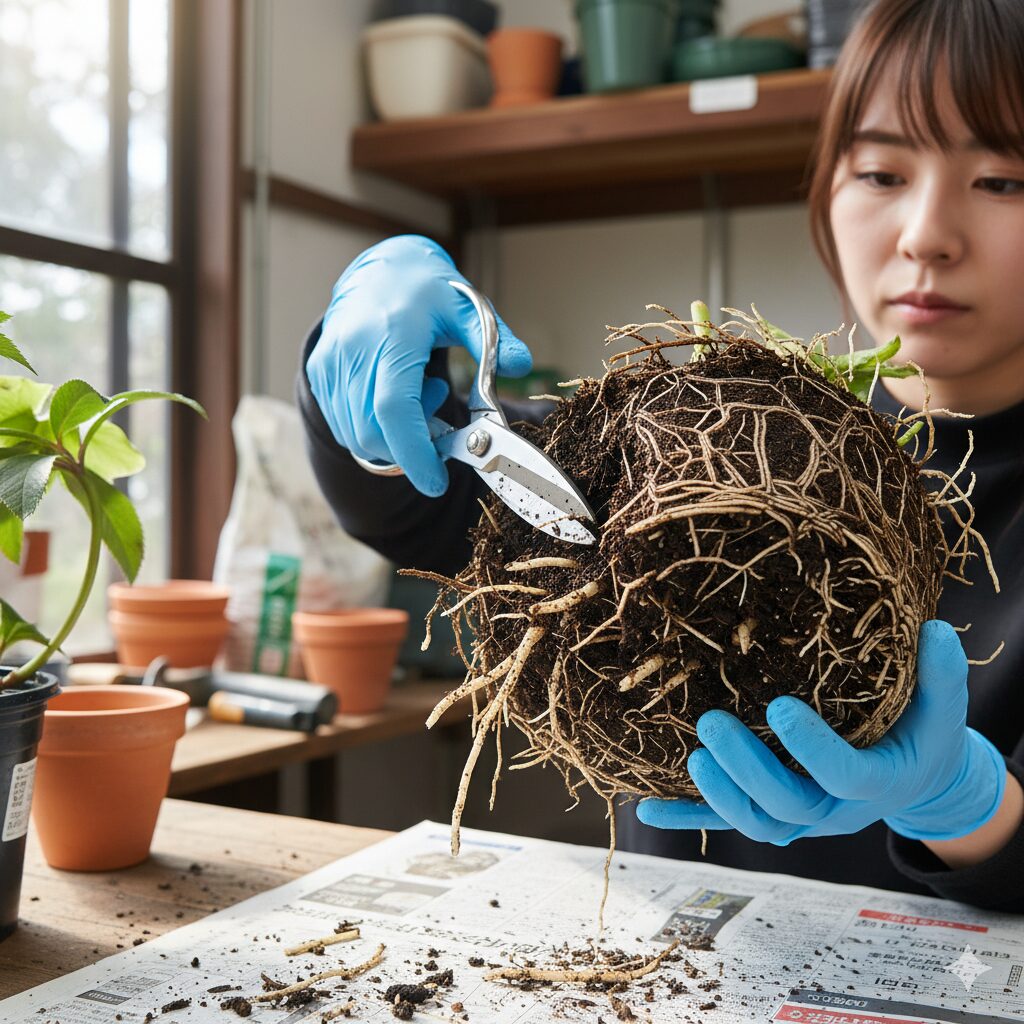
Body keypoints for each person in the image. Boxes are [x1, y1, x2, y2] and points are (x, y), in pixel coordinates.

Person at [297, 0, 1024, 912]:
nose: (927, 233)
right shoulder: (705, 427)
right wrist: (357, 368)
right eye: (881, 170)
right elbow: (415, 501)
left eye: (1002, 181)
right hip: (667, 980)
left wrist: (961, 798)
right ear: (827, 187)